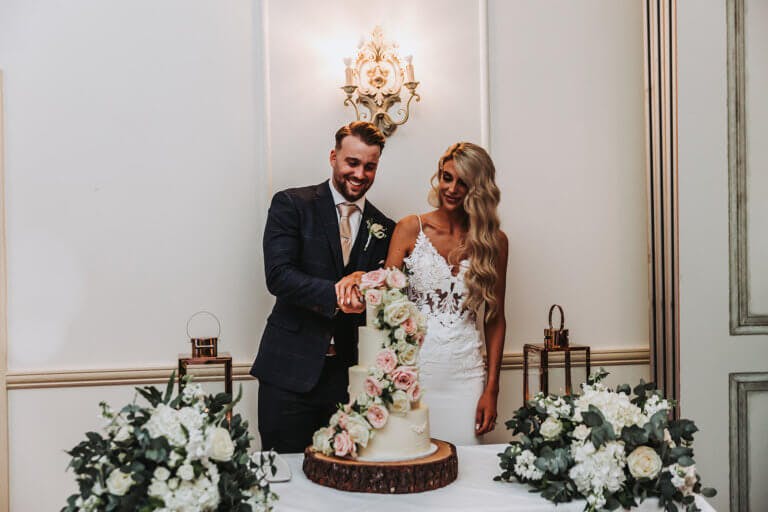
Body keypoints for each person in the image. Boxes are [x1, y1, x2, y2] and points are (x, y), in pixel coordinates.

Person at [250, 121, 395, 453]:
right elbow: (279, 275)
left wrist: (369, 287)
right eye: (352, 163)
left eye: (370, 166)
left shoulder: (384, 227)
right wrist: (339, 293)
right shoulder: (292, 205)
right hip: (288, 373)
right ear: (334, 157)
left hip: (348, 381)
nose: (360, 174)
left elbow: (386, 292)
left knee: (343, 487)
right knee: (284, 480)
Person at [383, 142, 508, 445]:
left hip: (466, 376)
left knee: (466, 468)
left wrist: (492, 389)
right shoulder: (410, 228)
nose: (451, 188)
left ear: (478, 189)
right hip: (413, 371)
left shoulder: (495, 243)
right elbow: (385, 309)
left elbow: (495, 319)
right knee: (411, 463)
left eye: (463, 182)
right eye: (446, 177)